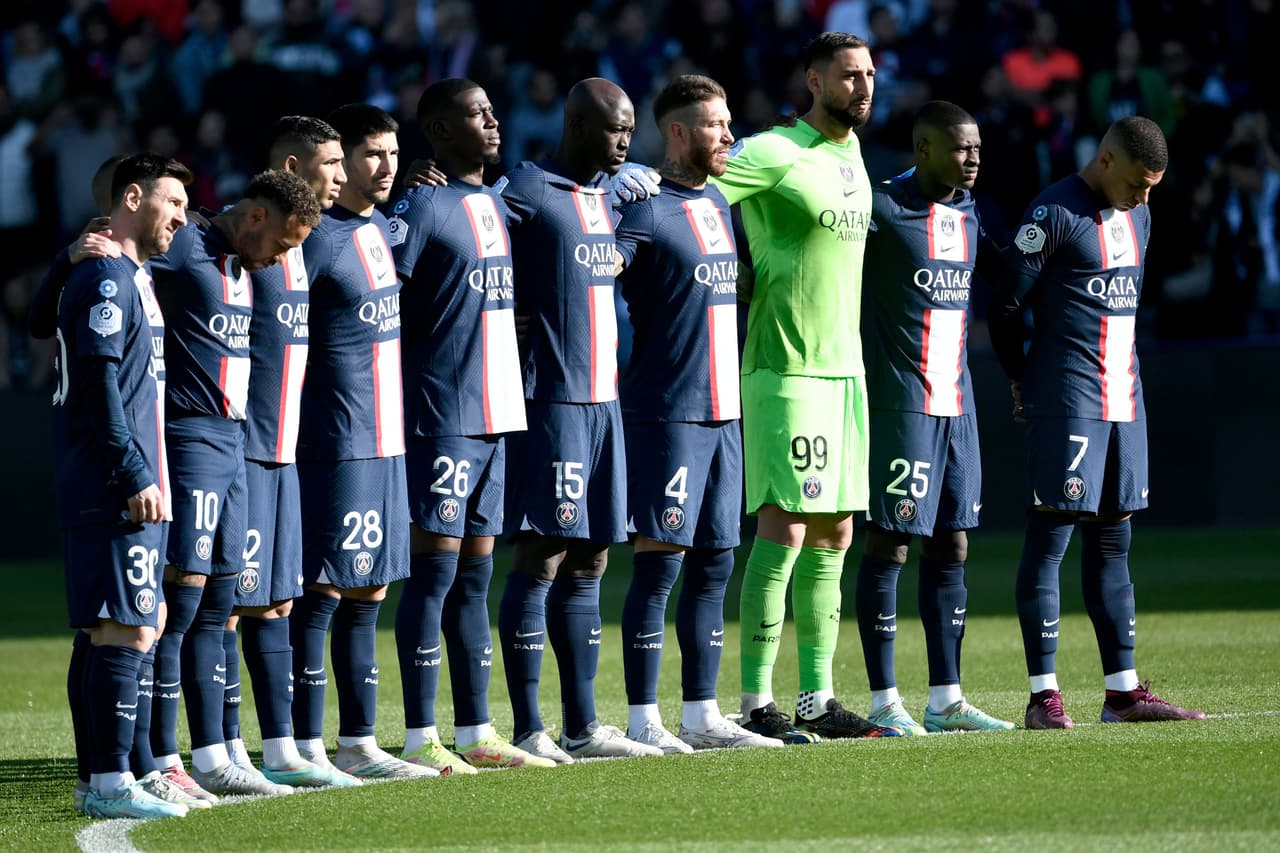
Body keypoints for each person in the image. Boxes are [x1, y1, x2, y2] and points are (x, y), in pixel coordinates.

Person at [710, 32, 898, 741]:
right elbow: (693, 188)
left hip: (844, 371)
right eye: (850, 75)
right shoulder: (771, 151)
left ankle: (815, 696)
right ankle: (756, 700)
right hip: (783, 367)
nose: (864, 86)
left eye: (871, 74)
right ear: (814, 80)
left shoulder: (852, 156)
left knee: (837, 531)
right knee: (783, 526)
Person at [989, 115, 1206, 729]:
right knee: (1052, 537)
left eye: (1153, 187)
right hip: (1068, 398)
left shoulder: (1138, 214)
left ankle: (1123, 692)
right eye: (1139, 183)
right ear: (1106, 160)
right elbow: (1006, 302)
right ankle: (1043, 697)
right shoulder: (1053, 212)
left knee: (1115, 539)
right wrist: (1020, 376)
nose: (1145, 197)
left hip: (1125, 400)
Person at [387, 78, 555, 774]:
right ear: (438, 129)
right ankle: (418, 733)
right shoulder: (421, 205)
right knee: (434, 574)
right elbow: (380, 292)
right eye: (475, 114)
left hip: (498, 414)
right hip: (442, 415)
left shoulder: (496, 201)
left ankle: (476, 729)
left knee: (476, 578)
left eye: (493, 110)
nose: (492, 120)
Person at [495, 78, 663, 762]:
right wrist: (505, 316)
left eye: (630, 129)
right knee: (542, 555)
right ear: (577, 125)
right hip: (552, 402)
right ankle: (530, 725)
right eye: (614, 128)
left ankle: (583, 725)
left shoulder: (607, 197)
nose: (626, 140)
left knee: (594, 555)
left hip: (605, 403)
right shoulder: (526, 192)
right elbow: (472, 252)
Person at [614, 74, 782, 752]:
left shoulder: (718, 201)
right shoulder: (644, 209)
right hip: (668, 412)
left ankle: (701, 714)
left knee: (716, 561)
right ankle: (638, 717)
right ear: (679, 132)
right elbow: (597, 279)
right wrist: (609, 192)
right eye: (716, 125)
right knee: (661, 565)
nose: (730, 136)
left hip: (724, 413)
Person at [146, 168, 320, 798]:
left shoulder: (244, 267)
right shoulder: (185, 247)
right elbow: (121, 261)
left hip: (236, 444)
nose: (282, 257)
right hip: (191, 440)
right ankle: (161, 758)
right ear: (254, 217)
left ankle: (217, 757)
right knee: (182, 602)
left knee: (221, 605)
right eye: (282, 242)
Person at [855, 100, 1015, 735]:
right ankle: (882, 700)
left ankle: (946, 699)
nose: (973, 158)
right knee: (890, 541)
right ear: (922, 150)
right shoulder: (880, 208)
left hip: (959, 402)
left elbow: (1008, 276)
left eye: (977, 148)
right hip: (900, 404)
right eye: (960, 148)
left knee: (953, 542)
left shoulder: (971, 212)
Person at [288, 103, 435, 781]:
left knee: (371, 590)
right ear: (336, 160)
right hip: (335, 438)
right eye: (371, 153)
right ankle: (300, 746)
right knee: (322, 589)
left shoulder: (383, 226)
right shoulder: (315, 238)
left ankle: (357, 741)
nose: (385, 166)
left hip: (386, 439)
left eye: (393, 153)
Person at [218, 116, 361, 789]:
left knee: (276, 603)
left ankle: (279, 749)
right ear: (296, 169)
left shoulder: (303, 243)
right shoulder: (238, 238)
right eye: (333, 164)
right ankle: (221, 752)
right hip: (240, 450)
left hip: (286, 455)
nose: (344, 174)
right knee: (227, 604)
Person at [52, 152, 190, 819]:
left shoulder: (130, 275)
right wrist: (134, 471)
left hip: (130, 481)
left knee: (121, 627)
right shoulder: (106, 277)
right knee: (124, 631)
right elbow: (103, 386)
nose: (181, 217)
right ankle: (111, 781)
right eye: (172, 203)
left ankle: (102, 777)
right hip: (115, 484)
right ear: (133, 199)